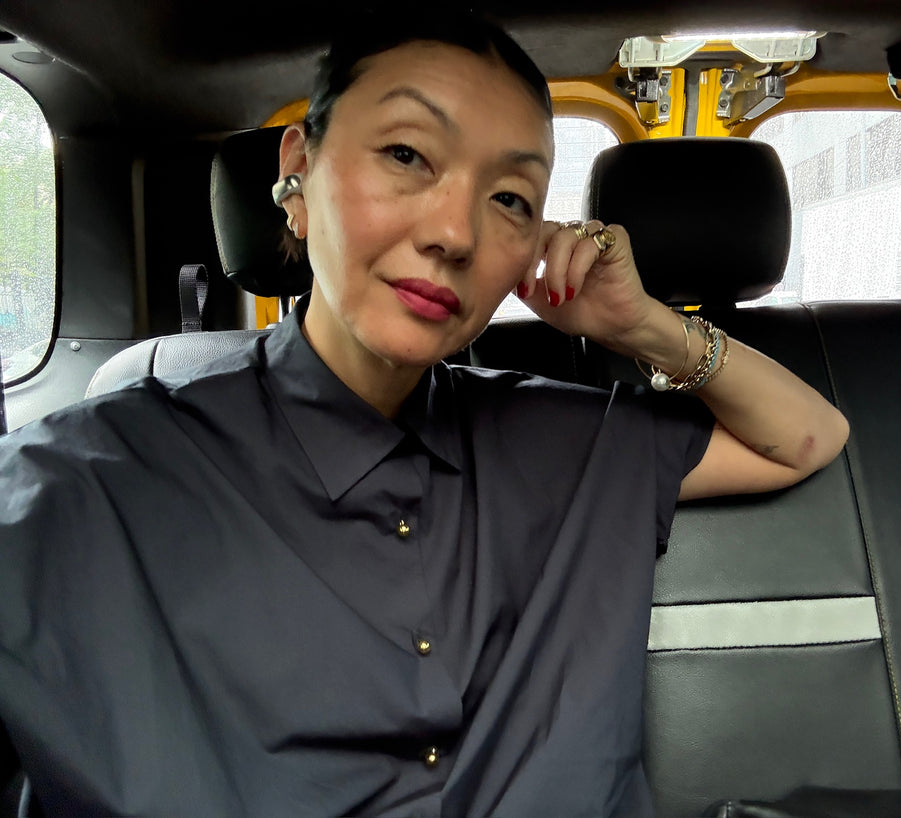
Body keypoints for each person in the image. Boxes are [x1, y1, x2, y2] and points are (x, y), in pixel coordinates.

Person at [0, 8, 849, 818]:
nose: (455, 232)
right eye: (407, 153)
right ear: (296, 175)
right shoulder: (94, 480)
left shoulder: (569, 440)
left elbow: (808, 438)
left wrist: (644, 326)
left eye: (511, 198)